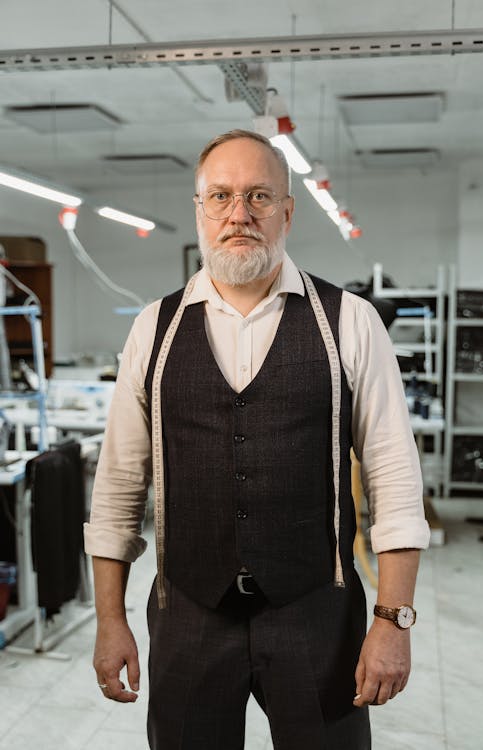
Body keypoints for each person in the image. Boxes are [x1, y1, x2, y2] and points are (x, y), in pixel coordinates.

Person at [84, 129, 430, 750]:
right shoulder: (152, 331)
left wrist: (393, 621)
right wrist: (110, 619)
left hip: (316, 615)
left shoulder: (350, 323)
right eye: (220, 196)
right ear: (198, 209)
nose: (238, 213)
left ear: (288, 211)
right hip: (188, 612)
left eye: (259, 196)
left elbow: (395, 481)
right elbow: (117, 488)